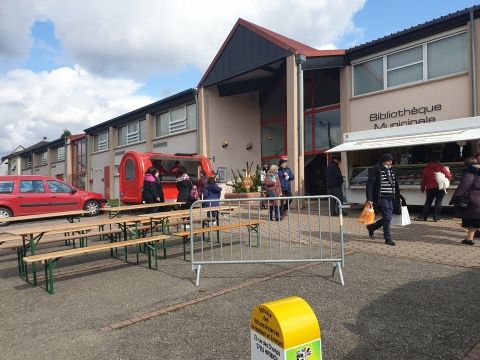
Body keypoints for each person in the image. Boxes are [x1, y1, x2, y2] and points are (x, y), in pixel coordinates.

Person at [365, 153, 402, 246]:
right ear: (384, 161)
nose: (390, 162)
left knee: (388, 217)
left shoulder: (391, 170)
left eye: (391, 161)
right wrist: (369, 199)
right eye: (389, 161)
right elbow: (370, 185)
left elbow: (394, 185)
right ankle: (388, 238)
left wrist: (399, 197)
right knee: (387, 217)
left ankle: (371, 227)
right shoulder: (376, 170)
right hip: (381, 197)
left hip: (391, 197)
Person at [449, 153, 480, 245]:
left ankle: (470, 239)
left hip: (473, 198)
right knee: (476, 220)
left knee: (471, 219)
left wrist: (456, 197)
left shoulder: (471, 171)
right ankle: (469, 239)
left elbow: (464, 186)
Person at [416, 152, 452, 222]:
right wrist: (449, 179)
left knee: (428, 202)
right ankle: (437, 218)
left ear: (430, 160)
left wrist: (422, 188)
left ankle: (422, 217)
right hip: (440, 187)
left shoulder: (426, 169)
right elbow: (448, 176)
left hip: (430, 188)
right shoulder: (441, 168)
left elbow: (423, 180)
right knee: (438, 202)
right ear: (438, 160)